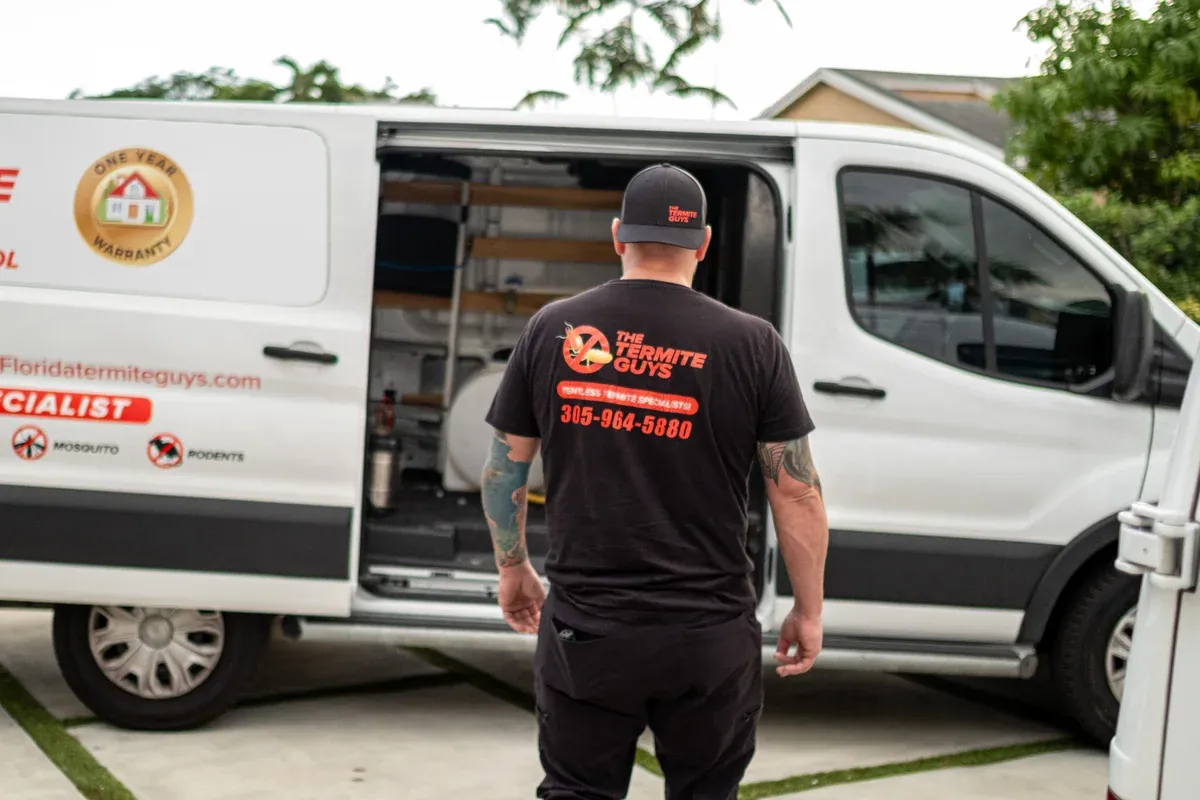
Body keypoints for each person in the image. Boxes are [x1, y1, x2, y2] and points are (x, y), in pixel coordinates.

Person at [481, 162, 829, 800]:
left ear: (618, 236)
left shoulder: (553, 329)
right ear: (703, 243)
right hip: (707, 636)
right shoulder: (753, 344)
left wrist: (514, 568)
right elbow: (796, 490)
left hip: (586, 631)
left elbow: (505, 466)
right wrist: (808, 610)